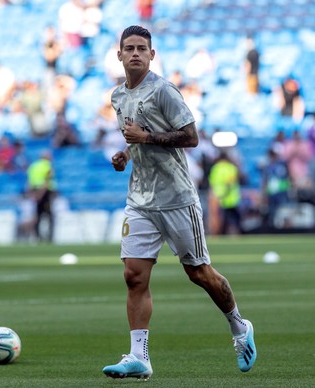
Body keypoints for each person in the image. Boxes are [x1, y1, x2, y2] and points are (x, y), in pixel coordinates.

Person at [101, 26, 256, 380]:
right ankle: (139, 357)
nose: (136, 53)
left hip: (176, 199)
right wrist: (127, 153)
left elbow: (191, 137)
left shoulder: (164, 90)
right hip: (140, 199)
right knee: (133, 275)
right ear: (119, 55)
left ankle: (239, 325)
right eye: (130, 48)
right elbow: (136, 137)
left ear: (152, 55)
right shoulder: (117, 96)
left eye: (143, 48)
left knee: (198, 273)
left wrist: (146, 138)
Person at [208, 151, 243, 235]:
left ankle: (219, 234)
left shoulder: (215, 168)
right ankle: (235, 233)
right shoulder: (231, 167)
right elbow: (231, 182)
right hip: (231, 198)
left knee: (220, 218)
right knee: (234, 219)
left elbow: (212, 183)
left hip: (218, 198)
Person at [27, 150, 55, 242]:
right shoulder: (47, 165)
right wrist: (40, 194)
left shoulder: (33, 166)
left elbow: (30, 182)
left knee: (37, 216)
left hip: (35, 193)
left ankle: (37, 237)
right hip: (44, 193)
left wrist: (33, 194)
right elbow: (47, 181)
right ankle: (49, 238)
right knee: (49, 216)